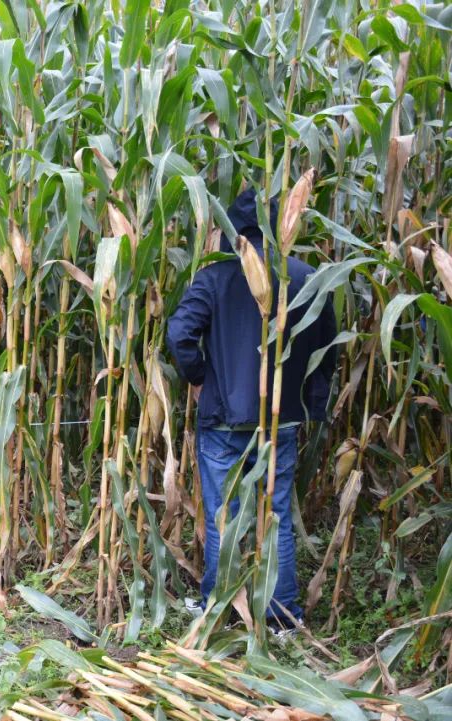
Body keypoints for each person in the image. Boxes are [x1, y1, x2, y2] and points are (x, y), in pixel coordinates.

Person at [166, 188, 337, 636]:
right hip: (282, 417)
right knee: (275, 514)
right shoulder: (306, 277)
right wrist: (308, 401)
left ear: (232, 229)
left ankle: (218, 606)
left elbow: (180, 333)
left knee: (223, 515)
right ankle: (282, 616)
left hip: (223, 416)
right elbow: (326, 347)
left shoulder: (216, 276)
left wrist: (200, 379)